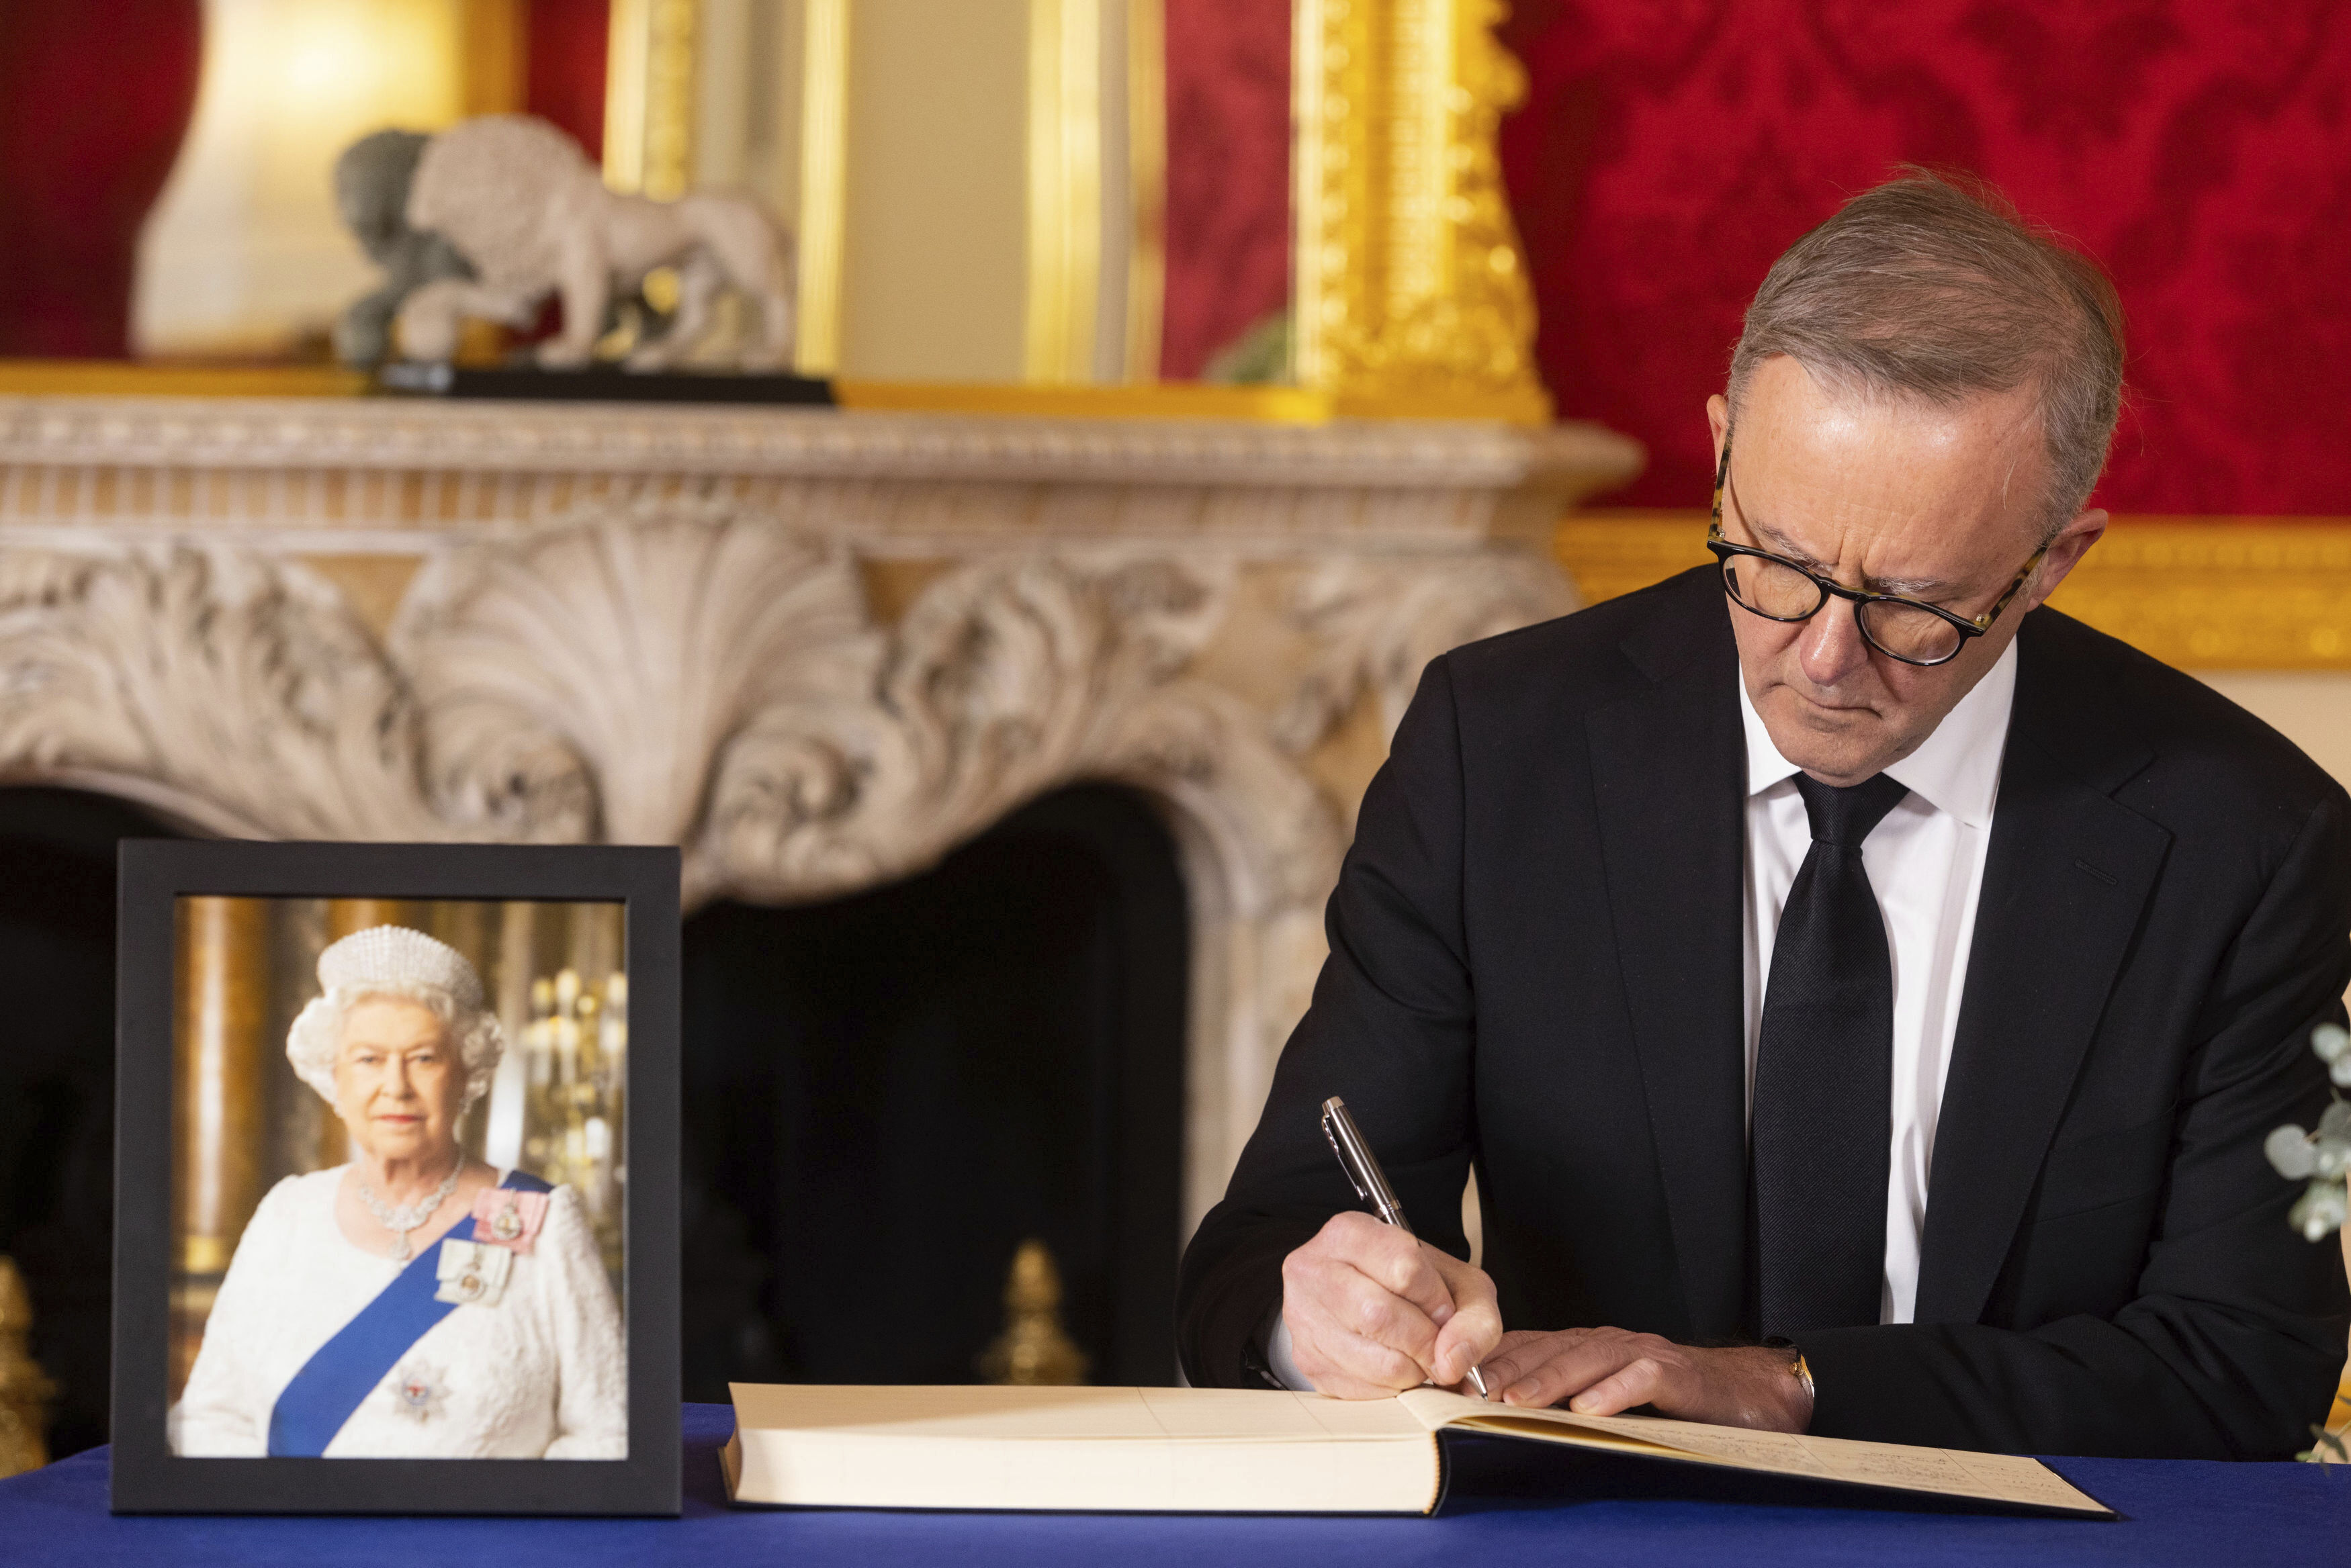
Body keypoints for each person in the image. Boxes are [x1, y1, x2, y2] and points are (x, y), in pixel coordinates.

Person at [1176, 172, 2351, 1459]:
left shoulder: (2246, 840)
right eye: (1774, 563)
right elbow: (1257, 1255)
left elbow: (2244, 1364)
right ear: (1725, 445)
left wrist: (1786, 1386)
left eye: (1917, 604)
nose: (1825, 658)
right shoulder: (1500, 753)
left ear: (2054, 562)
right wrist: (1321, 1324)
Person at [171, 925, 626, 1459]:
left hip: (483, 1541)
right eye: (368, 1058)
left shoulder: (540, 1219)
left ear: (466, 1076)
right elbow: (210, 1415)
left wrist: (512, 1532)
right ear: (334, 1078)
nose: (396, 1085)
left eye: (424, 1058)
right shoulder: (286, 1215)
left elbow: (606, 1432)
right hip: (299, 1539)